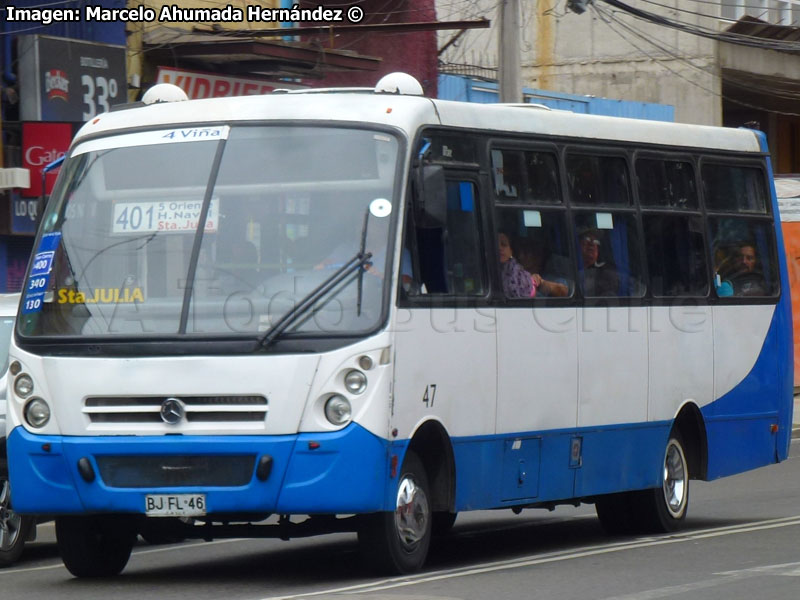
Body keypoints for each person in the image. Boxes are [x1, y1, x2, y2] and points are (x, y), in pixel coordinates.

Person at [577, 228, 619, 296]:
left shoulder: (605, 274)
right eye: (587, 240)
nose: (591, 246)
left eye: (596, 242)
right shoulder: (567, 270)